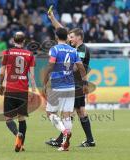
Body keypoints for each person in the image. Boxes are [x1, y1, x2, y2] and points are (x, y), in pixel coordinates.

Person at [46, 8, 95, 148]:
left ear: (78, 37)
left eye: (72, 37)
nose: (70, 39)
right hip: (73, 84)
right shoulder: (74, 49)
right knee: (76, 112)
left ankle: (63, 139)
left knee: (72, 113)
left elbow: (76, 68)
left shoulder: (82, 50)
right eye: (69, 37)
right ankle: (87, 139)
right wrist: (52, 19)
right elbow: (61, 33)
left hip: (76, 84)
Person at [43, 27, 87, 151]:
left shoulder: (54, 49)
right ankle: (64, 145)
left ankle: (65, 132)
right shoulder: (74, 51)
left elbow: (51, 66)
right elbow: (81, 68)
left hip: (57, 85)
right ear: (67, 37)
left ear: (56, 37)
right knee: (67, 115)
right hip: (70, 86)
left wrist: (44, 83)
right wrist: (85, 83)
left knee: (50, 113)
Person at [0, 31, 36, 152]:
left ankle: (17, 135)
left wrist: (1, 84)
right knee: (21, 118)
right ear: (24, 41)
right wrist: (33, 90)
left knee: (8, 119)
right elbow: (32, 76)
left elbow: (2, 72)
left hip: (10, 89)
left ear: (13, 41)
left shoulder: (7, 53)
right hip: (22, 90)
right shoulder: (30, 54)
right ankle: (22, 144)